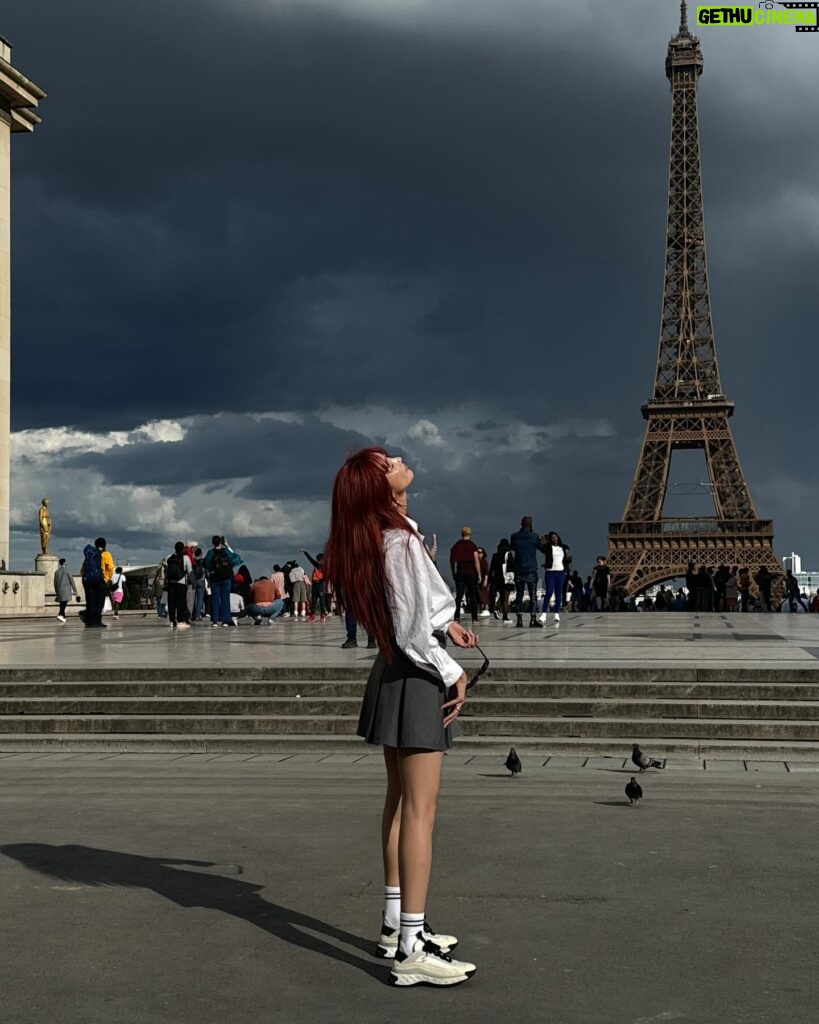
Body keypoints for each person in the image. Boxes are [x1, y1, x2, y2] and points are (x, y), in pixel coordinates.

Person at [325, 447, 478, 987]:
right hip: (416, 677)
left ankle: (396, 923)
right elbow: (414, 632)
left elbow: (408, 616)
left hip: (392, 671)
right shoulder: (401, 541)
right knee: (421, 812)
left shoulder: (379, 539)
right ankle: (411, 946)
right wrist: (453, 669)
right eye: (384, 461)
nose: (395, 458)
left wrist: (446, 624)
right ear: (380, 487)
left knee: (398, 804)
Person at [509, 516, 543, 629]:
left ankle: (519, 620)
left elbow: (512, 547)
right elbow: (541, 548)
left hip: (519, 569)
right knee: (532, 595)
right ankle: (533, 619)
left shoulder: (514, 536)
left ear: (521, 524)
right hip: (531, 569)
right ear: (531, 524)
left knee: (519, 595)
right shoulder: (534, 536)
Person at [203, 536, 242, 627]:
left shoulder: (210, 552)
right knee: (225, 600)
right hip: (226, 578)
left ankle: (215, 621)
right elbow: (235, 559)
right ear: (221, 542)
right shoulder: (226, 551)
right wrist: (227, 546)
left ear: (212, 543)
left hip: (215, 578)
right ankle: (225, 620)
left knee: (215, 599)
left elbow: (206, 564)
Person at [538, 531, 571, 627]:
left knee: (558, 593)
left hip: (560, 572)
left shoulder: (563, 548)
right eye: (552, 537)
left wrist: (568, 562)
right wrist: (543, 544)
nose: (554, 539)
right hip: (550, 572)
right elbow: (542, 550)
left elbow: (566, 559)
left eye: (555, 536)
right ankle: (544, 614)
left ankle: (557, 614)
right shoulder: (548, 547)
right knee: (548, 592)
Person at [449, 527, 481, 625]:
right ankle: (474, 617)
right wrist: (479, 574)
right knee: (473, 596)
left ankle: (457, 616)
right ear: (469, 534)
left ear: (461, 534)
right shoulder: (472, 546)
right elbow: (476, 560)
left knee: (459, 596)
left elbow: (452, 561)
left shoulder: (456, 546)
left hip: (460, 573)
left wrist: (454, 573)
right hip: (471, 573)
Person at [81, 537, 115, 629]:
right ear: (104, 545)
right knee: (99, 601)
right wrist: (107, 578)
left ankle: (89, 621)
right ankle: (97, 621)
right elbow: (111, 568)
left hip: (88, 580)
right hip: (100, 580)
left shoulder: (90, 553)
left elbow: (83, 567)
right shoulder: (106, 554)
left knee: (90, 601)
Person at [165, 541, 193, 630]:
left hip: (171, 583)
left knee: (171, 602)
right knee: (181, 602)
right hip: (181, 583)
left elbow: (165, 569)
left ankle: (172, 620)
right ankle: (180, 620)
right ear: (183, 549)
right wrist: (194, 583)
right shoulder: (185, 558)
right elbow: (190, 570)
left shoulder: (169, 557)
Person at [488, 539, 514, 624]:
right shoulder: (508, 555)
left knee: (502, 596)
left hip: (497, 579)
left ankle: (497, 609)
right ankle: (505, 616)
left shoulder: (495, 555)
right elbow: (512, 567)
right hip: (506, 579)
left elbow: (491, 569)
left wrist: (489, 580)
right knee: (505, 598)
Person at [300, 550, 328, 622]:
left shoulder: (325, 567)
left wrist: (320, 579)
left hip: (320, 585)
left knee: (322, 601)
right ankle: (312, 615)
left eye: (320, 560)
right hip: (315, 586)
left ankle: (322, 615)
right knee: (314, 601)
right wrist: (305, 552)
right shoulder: (316, 565)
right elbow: (310, 559)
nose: (318, 562)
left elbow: (326, 577)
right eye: (318, 560)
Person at [191, 547, 207, 622]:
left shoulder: (192, 561)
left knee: (193, 599)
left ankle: (192, 615)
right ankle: (198, 616)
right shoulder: (203, 561)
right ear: (201, 554)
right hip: (201, 580)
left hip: (193, 580)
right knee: (200, 599)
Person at [476, 546, 490, 618]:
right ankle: (481, 610)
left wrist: (485, 580)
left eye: (480, 552)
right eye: (477, 552)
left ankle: (485, 609)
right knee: (479, 595)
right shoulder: (476, 562)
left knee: (484, 595)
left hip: (483, 580)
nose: (478, 554)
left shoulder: (484, 561)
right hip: (478, 581)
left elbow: (486, 572)